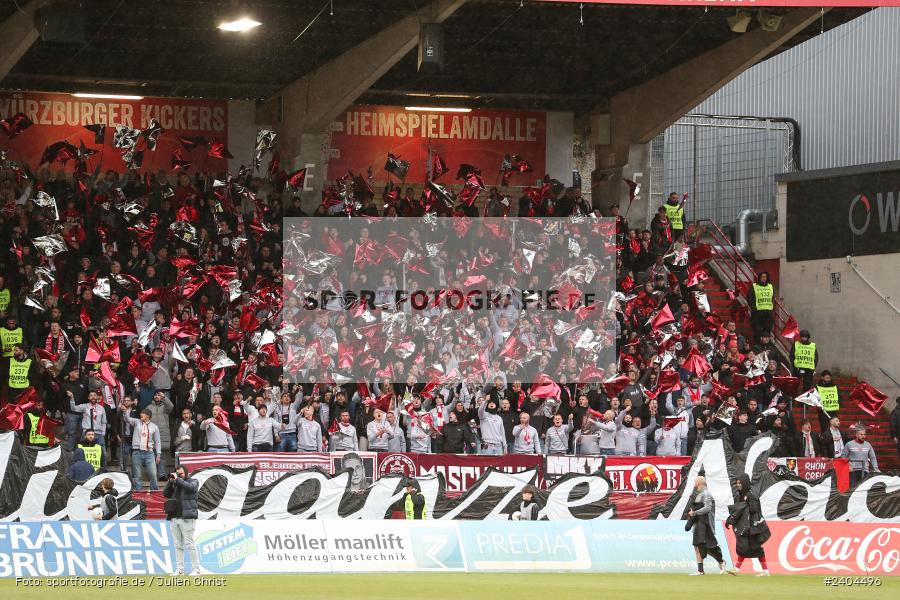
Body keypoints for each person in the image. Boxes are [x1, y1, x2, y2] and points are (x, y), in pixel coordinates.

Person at [726, 474, 771, 576]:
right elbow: (741, 509)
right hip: (747, 526)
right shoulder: (742, 494)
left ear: (744, 482)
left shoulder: (751, 494)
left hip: (753, 527)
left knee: (756, 548)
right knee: (744, 547)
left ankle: (766, 571)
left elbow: (754, 509)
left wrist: (742, 509)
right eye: (737, 483)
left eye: (739, 483)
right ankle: (736, 569)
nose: (738, 485)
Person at [164, 465, 200, 576]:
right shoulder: (175, 483)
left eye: (181, 474)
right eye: (177, 473)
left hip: (187, 518)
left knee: (189, 544)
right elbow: (165, 494)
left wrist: (178, 480)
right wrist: (170, 482)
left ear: (186, 472)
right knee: (177, 545)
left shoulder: (194, 481)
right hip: (174, 517)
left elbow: (191, 488)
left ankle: (196, 569)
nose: (179, 475)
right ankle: (180, 570)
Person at [686, 475, 726, 576]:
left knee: (708, 547)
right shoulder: (700, 495)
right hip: (698, 525)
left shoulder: (707, 494)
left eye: (695, 480)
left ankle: (721, 561)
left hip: (706, 526)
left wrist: (694, 513)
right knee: (697, 546)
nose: (694, 482)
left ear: (699, 483)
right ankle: (700, 571)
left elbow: (708, 508)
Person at [124, 408, 162, 491]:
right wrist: (124, 411)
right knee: (137, 475)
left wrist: (158, 454)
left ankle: (154, 491)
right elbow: (126, 419)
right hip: (137, 452)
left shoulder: (154, 427)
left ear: (148, 416)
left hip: (149, 453)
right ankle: (139, 492)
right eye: (141, 413)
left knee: (152, 473)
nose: (141, 414)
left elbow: (157, 442)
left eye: (143, 413)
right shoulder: (137, 422)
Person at [746, 272, 774, 343]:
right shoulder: (754, 286)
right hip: (757, 313)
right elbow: (750, 298)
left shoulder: (770, 286)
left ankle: (766, 348)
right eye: (762, 276)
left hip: (768, 313)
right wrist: (754, 309)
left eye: (765, 276)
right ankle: (758, 347)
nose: (764, 278)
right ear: (759, 277)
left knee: (767, 331)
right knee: (757, 332)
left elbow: (772, 298)